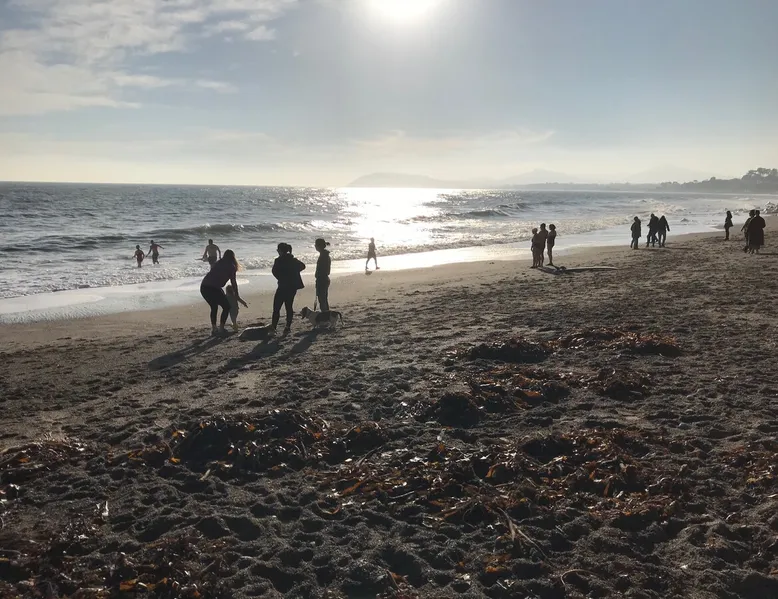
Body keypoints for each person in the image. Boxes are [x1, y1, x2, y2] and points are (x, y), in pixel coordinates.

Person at [200, 249, 241, 335]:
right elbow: (233, 282)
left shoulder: (218, 263)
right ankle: (221, 328)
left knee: (214, 307)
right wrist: (237, 295)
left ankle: (214, 328)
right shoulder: (231, 266)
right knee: (226, 307)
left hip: (204, 287)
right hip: (213, 288)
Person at [271, 243, 305, 335]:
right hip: (292, 287)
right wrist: (294, 273)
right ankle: (287, 327)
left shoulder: (278, 260)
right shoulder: (293, 259)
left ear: (280, 251)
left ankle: (273, 327)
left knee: (276, 308)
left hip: (282, 286)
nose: (277, 251)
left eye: (278, 250)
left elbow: (274, 271)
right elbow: (303, 266)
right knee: (289, 307)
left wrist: (281, 278)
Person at [315, 238, 331, 311]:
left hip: (322, 279)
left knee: (322, 300)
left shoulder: (323, 256)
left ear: (319, 246)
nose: (315, 246)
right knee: (323, 299)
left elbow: (325, 270)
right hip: (324, 279)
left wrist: (318, 276)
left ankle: (325, 314)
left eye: (316, 245)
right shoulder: (325, 255)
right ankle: (326, 313)